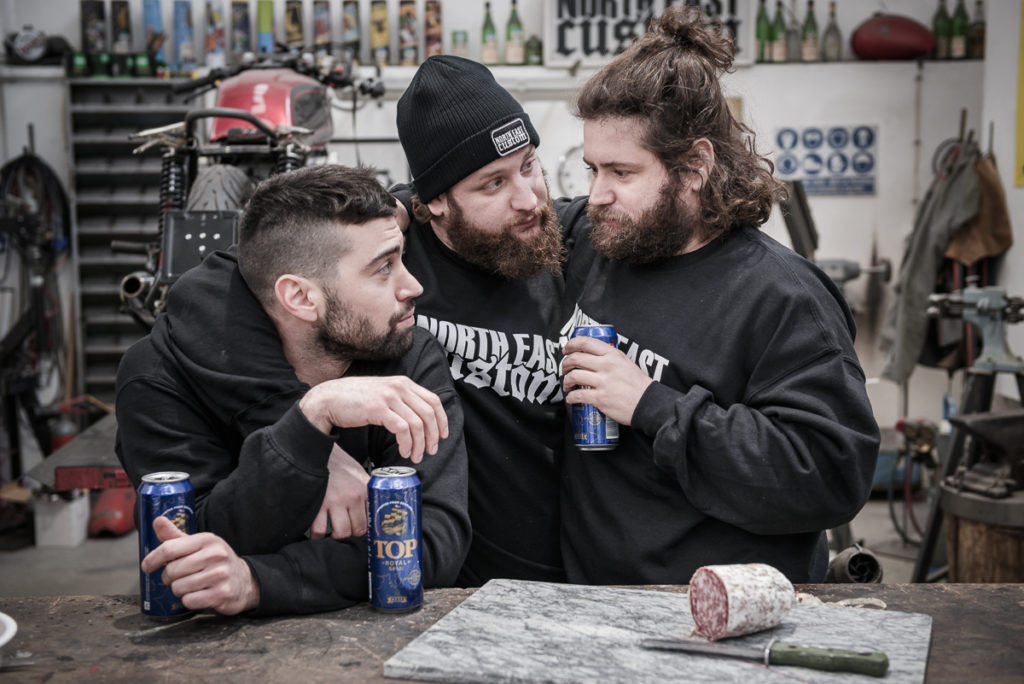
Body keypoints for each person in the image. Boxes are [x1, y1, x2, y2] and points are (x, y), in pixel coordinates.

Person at [557, 7, 881, 585]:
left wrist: (652, 405)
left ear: (695, 166)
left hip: (718, 625)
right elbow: (501, 220)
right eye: (591, 170)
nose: (597, 194)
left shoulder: (782, 298)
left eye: (621, 172)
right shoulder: (604, 240)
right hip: (590, 613)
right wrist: (399, 211)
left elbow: (830, 475)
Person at [115, 165, 470, 615]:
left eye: (401, 257)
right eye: (383, 268)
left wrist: (261, 581)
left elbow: (434, 542)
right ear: (300, 298)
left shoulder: (406, 354)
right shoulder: (158, 381)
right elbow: (194, 548)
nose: (412, 285)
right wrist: (309, 423)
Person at [391, 55, 575, 585]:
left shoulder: (564, 242)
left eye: (528, 165)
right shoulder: (394, 263)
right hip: (453, 585)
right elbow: (240, 276)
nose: (529, 199)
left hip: (582, 572)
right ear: (436, 202)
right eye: (492, 184)